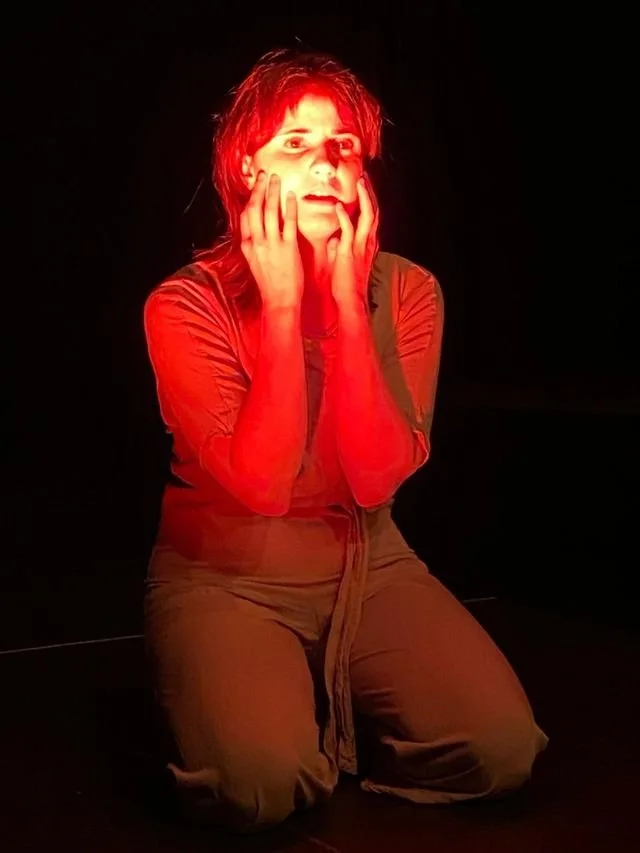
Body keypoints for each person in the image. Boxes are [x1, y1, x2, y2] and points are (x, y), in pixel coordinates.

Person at [142, 47, 549, 836]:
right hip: (229, 574)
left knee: (501, 750)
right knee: (256, 780)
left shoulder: (407, 289)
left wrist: (344, 303)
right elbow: (261, 484)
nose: (327, 161)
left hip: (368, 559)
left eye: (344, 146)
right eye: (296, 143)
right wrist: (287, 307)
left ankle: (331, 714)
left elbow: (373, 481)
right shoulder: (182, 305)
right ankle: (268, 710)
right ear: (246, 170)